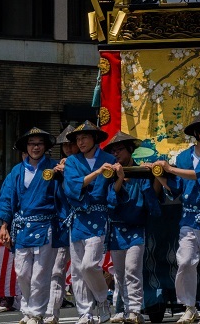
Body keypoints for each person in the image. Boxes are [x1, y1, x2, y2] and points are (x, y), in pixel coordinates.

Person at [154, 114, 200, 324]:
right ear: (196, 134)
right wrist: (159, 173)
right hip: (188, 218)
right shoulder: (184, 156)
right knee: (185, 261)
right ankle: (189, 306)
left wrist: (169, 169)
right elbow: (175, 187)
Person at [0, 127, 59, 324]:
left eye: (39, 143)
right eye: (31, 143)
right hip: (21, 228)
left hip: (45, 226)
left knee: (40, 274)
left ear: (45, 146)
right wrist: (3, 226)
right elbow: (6, 199)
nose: (35, 147)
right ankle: (29, 309)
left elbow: (65, 196)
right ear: (26, 147)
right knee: (22, 272)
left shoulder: (54, 168)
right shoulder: (16, 171)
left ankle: (35, 313)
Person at [106, 130, 162, 324]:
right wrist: (120, 179)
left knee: (132, 269)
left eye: (120, 149)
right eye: (113, 151)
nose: (116, 154)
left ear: (130, 150)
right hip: (116, 229)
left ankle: (135, 310)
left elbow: (152, 202)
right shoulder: (110, 174)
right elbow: (110, 202)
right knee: (120, 274)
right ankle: (121, 308)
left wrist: (151, 175)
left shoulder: (142, 172)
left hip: (136, 229)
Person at [63, 120, 116, 324]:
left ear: (95, 138)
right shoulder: (73, 161)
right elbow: (72, 187)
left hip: (99, 217)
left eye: (84, 137)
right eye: (78, 139)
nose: (81, 141)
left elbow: (114, 190)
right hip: (78, 219)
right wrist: (96, 172)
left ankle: (102, 299)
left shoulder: (109, 159)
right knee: (77, 270)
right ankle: (85, 312)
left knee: (89, 265)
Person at [44, 125, 78, 324]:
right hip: (61, 223)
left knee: (84, 269)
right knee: (56, 270)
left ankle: (92, 308)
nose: (68, 148)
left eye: (71, 144)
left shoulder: (86, 166)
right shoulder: (57, 166)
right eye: (65, 145)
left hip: (84, 222)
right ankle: (51, 312)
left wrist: (69, 172)